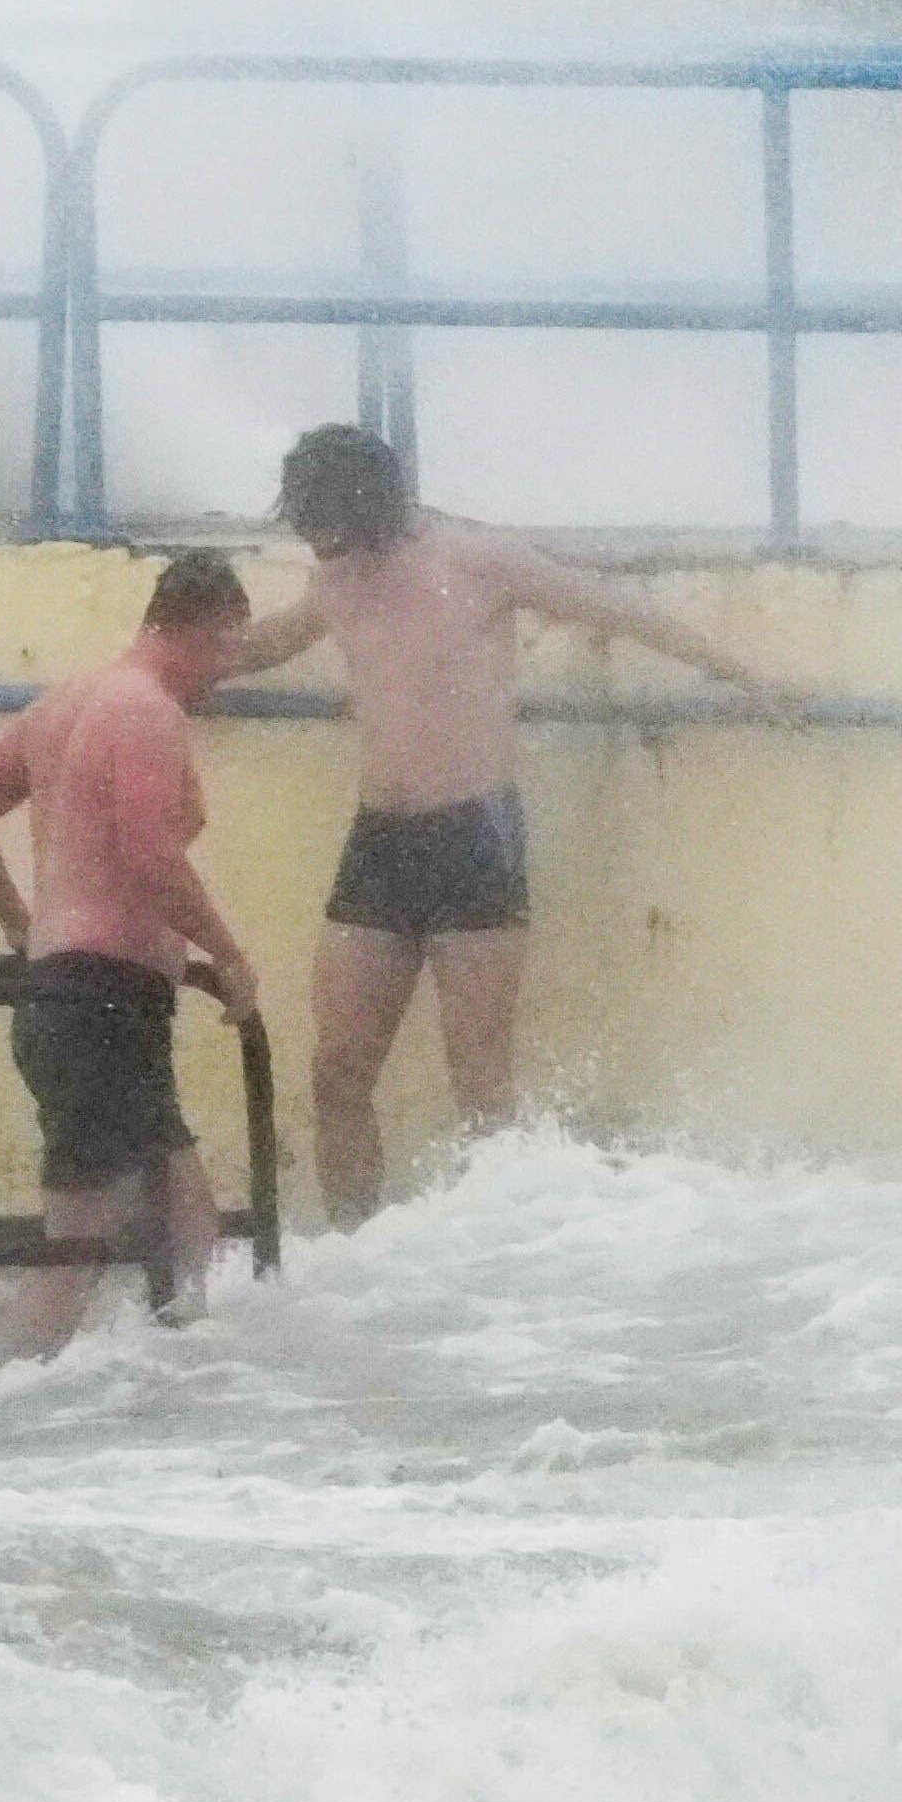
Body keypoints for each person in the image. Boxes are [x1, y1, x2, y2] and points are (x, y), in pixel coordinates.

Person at [229, 423, 816, 1229]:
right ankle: (350, 1255)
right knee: (337, 1071)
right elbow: (269, 644)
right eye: (308, 525)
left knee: (480, 1080)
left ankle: (491, 1266)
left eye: (328, 524)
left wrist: (745, 674)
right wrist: (165, 661)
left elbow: (622, 609)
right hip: (379, 841)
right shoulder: (335, 578)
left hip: (475, 834)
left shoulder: (476, 559)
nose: (321, 544)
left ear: (370, 507)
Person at [0, 549, 261, 1355]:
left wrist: (25, 925)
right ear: (200, 628)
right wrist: (231, 955)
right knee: (81, 1246)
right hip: (103, 1002)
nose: (225, 675)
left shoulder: (65, 705)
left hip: (77, 997)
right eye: (227, 650)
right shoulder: (146, 709)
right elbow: (149, 853)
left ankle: (174, 1408)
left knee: (187, 1227)